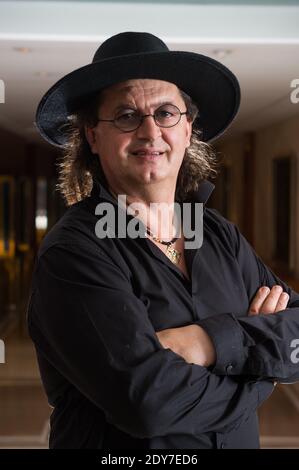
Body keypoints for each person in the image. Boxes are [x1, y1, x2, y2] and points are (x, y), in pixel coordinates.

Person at [27, 31, 299, 449]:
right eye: (125, 116)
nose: (150, 131)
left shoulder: (219, 234)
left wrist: (204, 342)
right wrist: (262, 370)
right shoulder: (74, 252)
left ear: (187, 129)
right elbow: (148, 403)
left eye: (166, 113)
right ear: (93, 137)